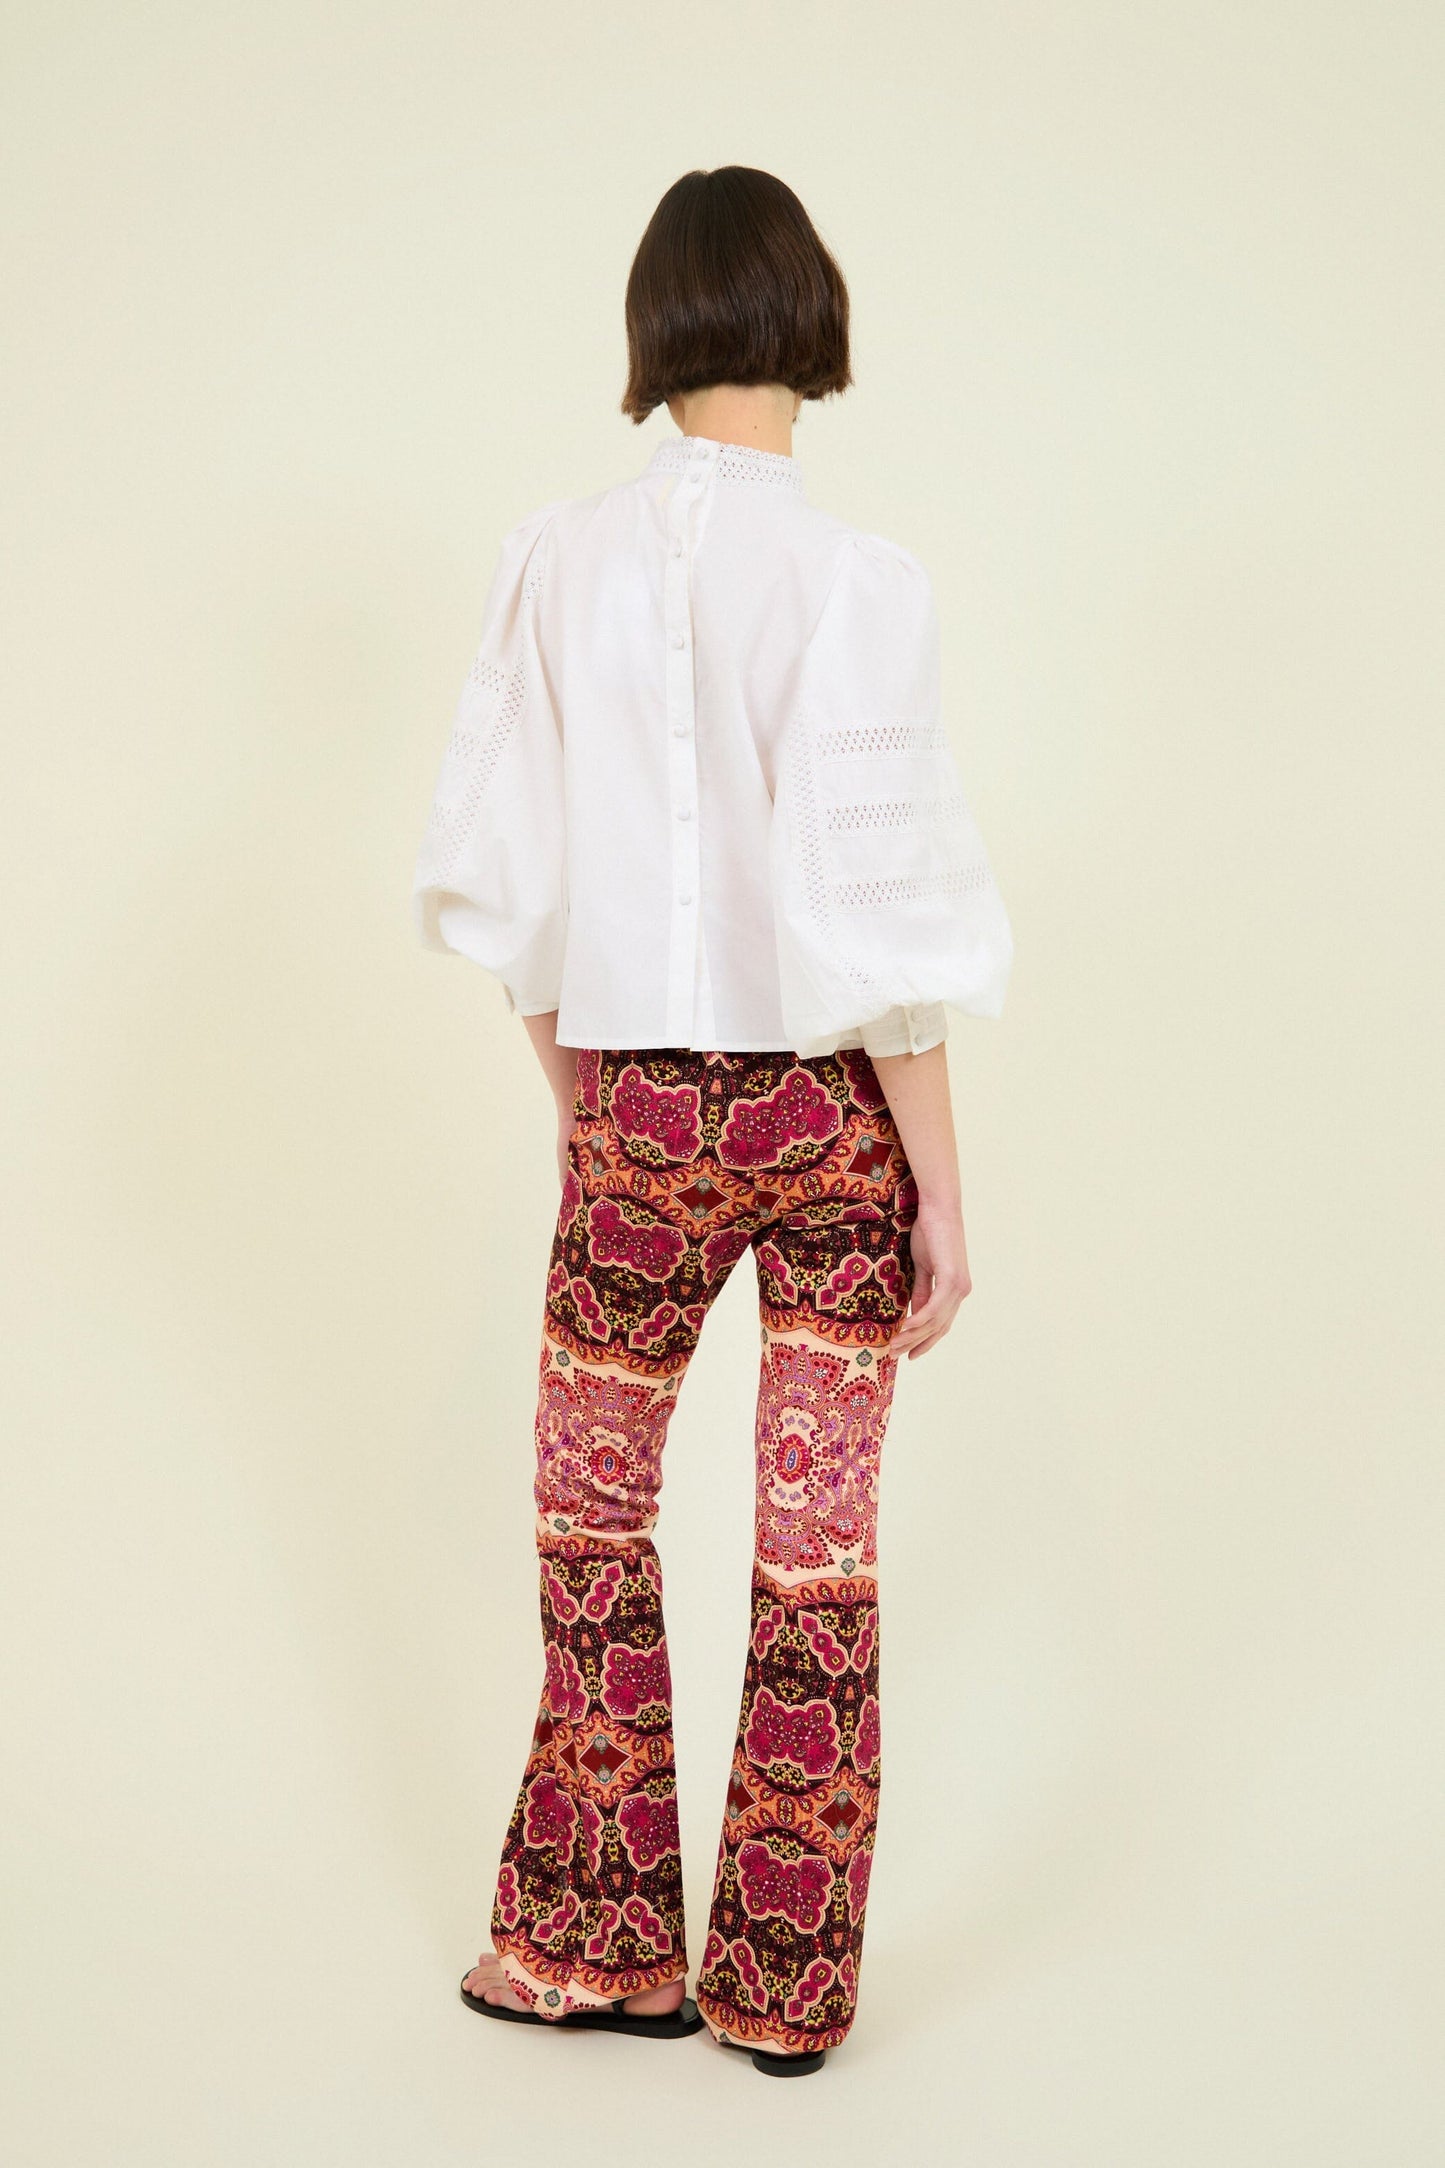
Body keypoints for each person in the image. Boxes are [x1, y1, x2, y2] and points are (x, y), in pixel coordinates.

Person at [413, 165, 1014, 2077]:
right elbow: (881, 923)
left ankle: (595, 1949)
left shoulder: (552, 562)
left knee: (592, 1512)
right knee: (815, 1545)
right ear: (806, 317)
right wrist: (938, 1192)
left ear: (653, 327)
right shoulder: (854, 583)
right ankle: (781, 1988)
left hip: (640, 1114)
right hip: (831, 1121)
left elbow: (503, 881)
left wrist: (588, 1100)